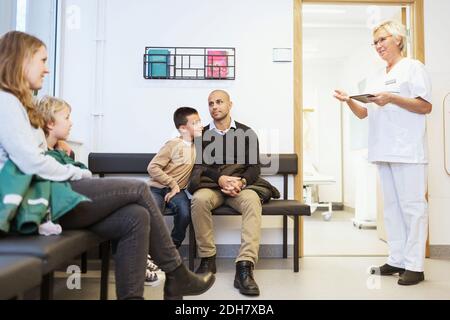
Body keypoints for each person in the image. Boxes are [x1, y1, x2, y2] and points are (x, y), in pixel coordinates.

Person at [0, 30, 215, 299]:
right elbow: (32, 163)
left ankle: (141, 293)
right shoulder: (5, 102)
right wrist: (79, 172)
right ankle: (177, 272)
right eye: (42, 61)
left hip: (48, 196)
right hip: (38, 203)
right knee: (140, 191)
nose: (46, 69)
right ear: (22, 60)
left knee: (136, 217)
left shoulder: (19, 104)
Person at [333, 21, 432, 286]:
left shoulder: (413, 68)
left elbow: (425, 106)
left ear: (398, 39)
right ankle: (397, 259)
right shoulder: (376, 75)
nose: (378, 46)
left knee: (413, 208)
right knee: (391, 209)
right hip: (383, 150)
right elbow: (365, 113)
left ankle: (415, 265)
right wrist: (349, 100)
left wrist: (392, 98)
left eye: (382, 40)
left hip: (408, 150)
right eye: (374, 42)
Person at [189, 89, 262, 296]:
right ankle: (207, 260)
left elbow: (254, 167)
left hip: (239, 188)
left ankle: (245, 267)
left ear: (230, 105)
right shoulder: (201, 134)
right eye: (211, 103)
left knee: (253, 200)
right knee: (198, 200)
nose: (215, 107)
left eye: (219, 102)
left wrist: (241, 181)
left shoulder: (247, 133)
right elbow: (198, 166)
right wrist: (219, 178)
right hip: (211, 188)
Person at [146, 107, 202, 286]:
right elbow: (152, 168)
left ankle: (170, 251)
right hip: (157, 188)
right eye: (195, 123)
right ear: (183, 128)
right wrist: (172, 184)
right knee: (152, 214)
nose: (200, 125)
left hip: (177, 192)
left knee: (185, 213)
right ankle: (147, 255)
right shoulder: (172, 145)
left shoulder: (197, 147)